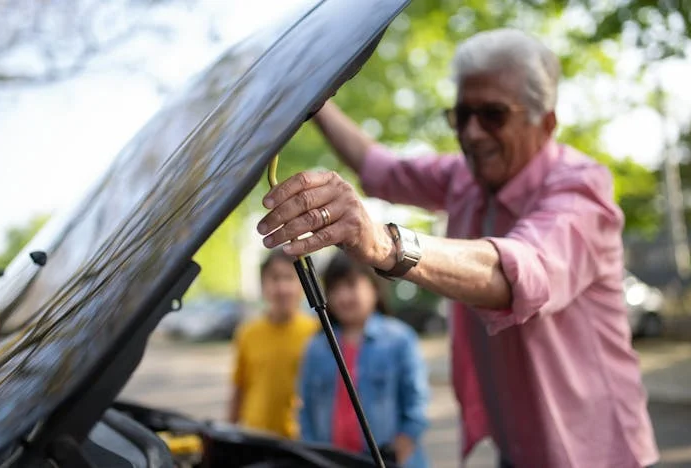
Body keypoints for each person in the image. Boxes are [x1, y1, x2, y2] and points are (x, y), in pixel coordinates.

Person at [256, 28, 659, 467]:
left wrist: (382, 242)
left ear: (545, 123)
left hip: (596, 452)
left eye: (493, 115)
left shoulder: (580, 189)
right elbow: (381, 169)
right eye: (462, 114)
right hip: (516, 452)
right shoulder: (464, 180)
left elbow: (518, 272)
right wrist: (315, 99)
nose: (472, 133)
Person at [298, 251, 430, 468]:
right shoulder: (316, 347)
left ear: (374, 287)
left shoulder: (399, 340)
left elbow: (416, 406)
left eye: (351, 285)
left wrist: (400, 449)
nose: (343, 296)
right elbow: (306, 411)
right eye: (335, 288)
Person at [229, 248, 319, 439]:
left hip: (300, 438)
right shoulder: (247, 333)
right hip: (255, 435)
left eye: (289, 278)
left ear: (302, 286)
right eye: (275, 278)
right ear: (263, 286)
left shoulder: (317, 332)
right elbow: (239, 388)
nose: (282, 288)